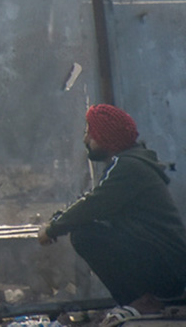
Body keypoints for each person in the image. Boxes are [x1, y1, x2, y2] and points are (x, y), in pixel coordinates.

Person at [39, 104, 186, 317]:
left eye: (90, 132)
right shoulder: (132, 163)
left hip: (168, 268)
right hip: (168, 264)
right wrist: (62, 219)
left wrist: (52, 229)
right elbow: (97, 204)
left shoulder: (127, 166)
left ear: (106, 137)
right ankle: (142, 301)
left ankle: (142, 303)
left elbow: (93, 205)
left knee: (85, 236)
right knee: (87, 228)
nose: (86, 139)